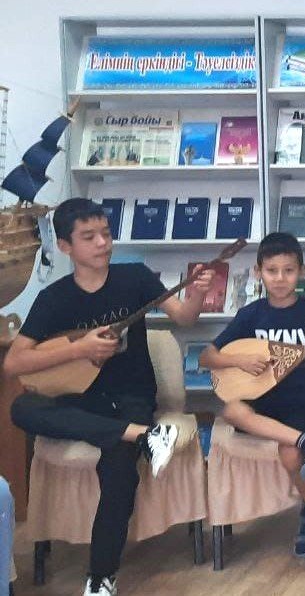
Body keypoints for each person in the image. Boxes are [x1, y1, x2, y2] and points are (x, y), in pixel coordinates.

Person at [4, 198, 213, 596]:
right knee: (21, 407)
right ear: (65, 246)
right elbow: (15, 363)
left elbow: (185, 317)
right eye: (89, 237)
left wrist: (199, 293)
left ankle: (101, 577)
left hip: (131, 398)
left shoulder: (135, 278)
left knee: (118, 470)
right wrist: (79, 349)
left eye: (106, 233)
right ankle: (144, 436)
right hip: (79, 399)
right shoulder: (54, 298)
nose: (103, 243)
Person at [200, 232, 305, 559]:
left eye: (289, 271)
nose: (280, 278)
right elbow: (207, 357)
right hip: (262, 401)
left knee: (291, 456)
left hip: (303, 401)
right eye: (272, 271)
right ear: (258, 272)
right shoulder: (251, 315)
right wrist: (238, 362)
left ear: (302, 272)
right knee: (232, 410)